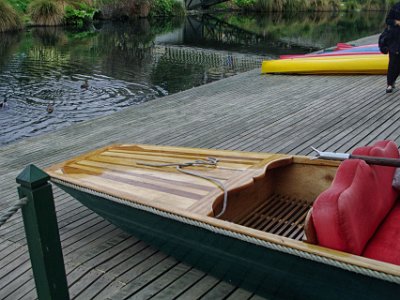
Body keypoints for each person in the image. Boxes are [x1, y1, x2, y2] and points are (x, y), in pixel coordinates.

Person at [386, 2, 400, 93]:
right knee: (392, 63)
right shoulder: (396, 7)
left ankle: (393, 80)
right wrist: (396, 22)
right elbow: (388, 20)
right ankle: (389, 85)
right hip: (395, 39)